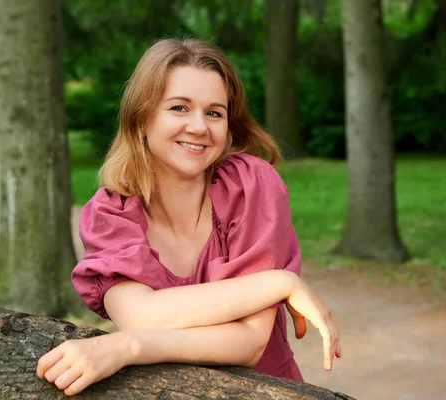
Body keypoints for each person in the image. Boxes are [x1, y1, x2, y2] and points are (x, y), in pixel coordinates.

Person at [36, 38, 341, 397]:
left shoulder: (250, 187)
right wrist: (280, 284)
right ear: (142, 118)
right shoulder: (110, 214)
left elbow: (249, 343)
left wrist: (128, 347)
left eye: (214, 113)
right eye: (180, 108)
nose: (199, 127)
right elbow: (141, 318)